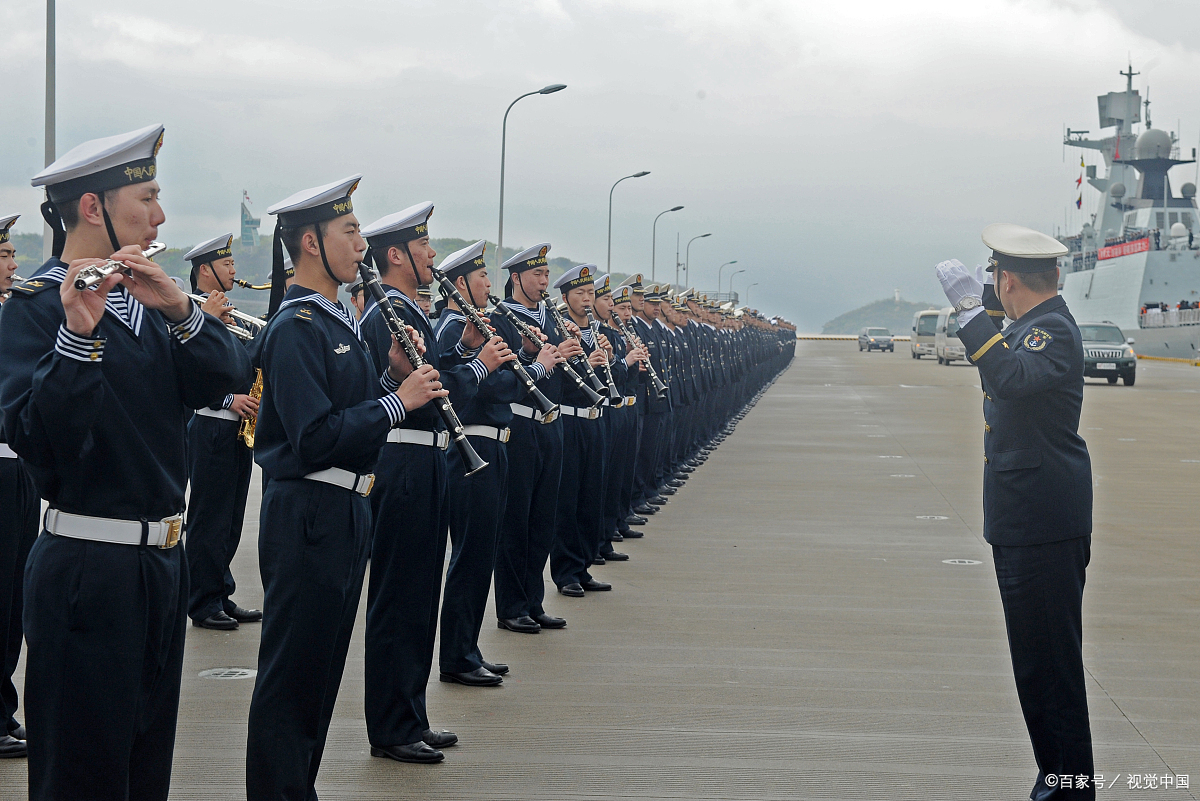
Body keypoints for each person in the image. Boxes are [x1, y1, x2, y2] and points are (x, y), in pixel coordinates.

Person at [0, 124, 249, 801]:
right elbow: (41, 442)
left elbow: (225, 378)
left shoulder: (152, 305)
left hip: (161, 567)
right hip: (86, 570)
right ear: (92, 207)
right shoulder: (31, 311)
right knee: (82, 777)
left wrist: (182, 311)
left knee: (144, 773)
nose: (160, 214)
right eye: (147, 196)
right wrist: (78, 334)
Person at [246, 176, 443, 799]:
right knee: (293, 677)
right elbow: (313, 435)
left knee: (320, 672)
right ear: (311, 243)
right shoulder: (297, 325)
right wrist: (397, 401)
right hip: (309, 509)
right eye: (349, 232)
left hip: (345, 506)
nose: (362, 244)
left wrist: (391, 376)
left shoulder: (341, 320)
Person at [937, 223, 1094, 801]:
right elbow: (1002, 354)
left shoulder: (1050, 330)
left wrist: (970, 311)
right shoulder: (1031, 324)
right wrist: (985, 305)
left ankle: (1070, 789)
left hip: (1044, 522)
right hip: (1029, 517)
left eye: (994, 276)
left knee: (1052, 669)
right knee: (1035, 667)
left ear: (1007, 278)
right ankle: (1055, 780)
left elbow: (1006, 375)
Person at [358, 203, 511, 764]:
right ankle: (391, 725)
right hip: (401, 462)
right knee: (399, 597)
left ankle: (411, 714)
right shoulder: (384, 313)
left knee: (420, 597)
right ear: (395, 255)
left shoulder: (411, 311)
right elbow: (400, 389)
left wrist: (467, 354)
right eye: (422, 247)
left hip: (427, 461)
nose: (431, 256)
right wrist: (475, 364)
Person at [433, 240, 553, 687]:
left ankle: (467, 648)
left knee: (481, 555)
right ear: (460, 283)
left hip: (494, 445)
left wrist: (519, 357)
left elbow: (501, 381)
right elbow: (489, 389)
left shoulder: (477, 325)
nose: (489, 283)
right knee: (470, 556)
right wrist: (529, 368)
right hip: (474, 447)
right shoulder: (450, 328)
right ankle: (457, 656)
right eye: (482, 276)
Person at [494, 244, 578, 632]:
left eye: (546, 274)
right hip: (521, 424)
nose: (544, 281)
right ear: (516, 278)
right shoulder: (502, 316)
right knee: (517, 519)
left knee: (543, 517)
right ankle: (512, 606)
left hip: (551, 423)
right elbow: (508, 374)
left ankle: (533, 599)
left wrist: (579, 349)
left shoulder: (552, 315)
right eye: (537, 275)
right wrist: (538, 361)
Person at [182, 233, 263, 631]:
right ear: (204, 271)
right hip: (210, 424)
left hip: (235, 431)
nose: (234, 270)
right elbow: (188, 368)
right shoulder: (189, 312)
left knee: (230, 519)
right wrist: (227, 400)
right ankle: (201, 600)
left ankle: (220, 591)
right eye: (226, 264)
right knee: (208, 518)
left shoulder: (225, 313)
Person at [548, 265, 617, 596]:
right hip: (571, 418)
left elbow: (606, 380)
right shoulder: (562, 331)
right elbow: (561, 381)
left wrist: (611, 360)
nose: (587, 300)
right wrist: (587, 364)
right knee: (569, 499)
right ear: (565, 298)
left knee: (593, 496)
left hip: (596, 418)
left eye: (591, 293)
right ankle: (566, 572)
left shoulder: (599, 334)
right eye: (580, 294)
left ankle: (584, 565)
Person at [0, 213, 35, 760]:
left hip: (17, 472)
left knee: (12, 601)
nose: (12, 264)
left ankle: (1, 708)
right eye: (3, 256)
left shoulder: (13, 315)